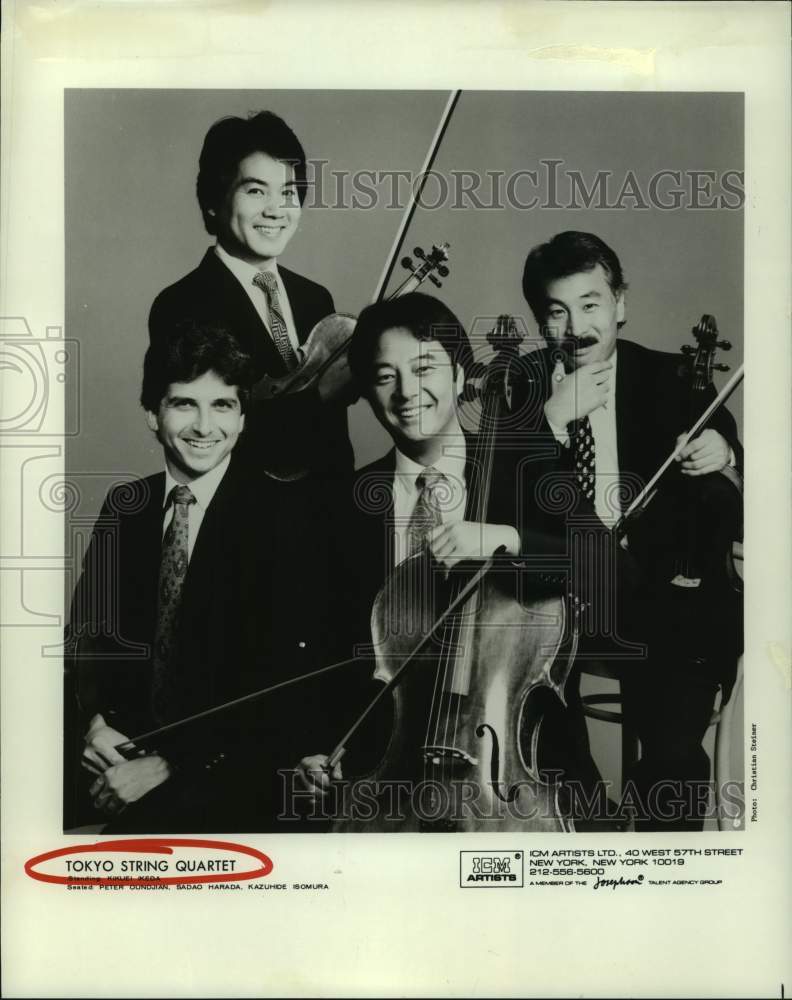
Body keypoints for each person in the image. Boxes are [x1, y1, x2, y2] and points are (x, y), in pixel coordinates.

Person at [294, 292, 575, 829]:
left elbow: (611, 568)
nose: (406, 393)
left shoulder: (527, 473)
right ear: (366, 394)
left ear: (463, 375)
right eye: (384, 377)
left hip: (509, 778)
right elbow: (314, 651)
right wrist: (312, 748)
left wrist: (506, 538)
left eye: (424, 367)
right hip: (384, 780)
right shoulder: (336, 505)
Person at [66, 322, 339, 833]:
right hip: (122, 778)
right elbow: (90, 642)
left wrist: (167, 765)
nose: (203, 426)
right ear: (152, 413)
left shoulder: (287, 516)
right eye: (184, 404)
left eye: (222, 405)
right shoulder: (126, 507)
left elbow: (286, 693)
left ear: (242, 418)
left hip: (235, 791)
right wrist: (94, 725)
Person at [520, 230, 743, 831]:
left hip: (662, 604)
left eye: (592, 304)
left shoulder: (674, 377)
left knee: (672, 754)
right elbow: (504, 502)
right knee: (548, 751)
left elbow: (721, 443)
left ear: (621, 304)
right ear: (541, 323)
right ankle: (591, 826)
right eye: (557, 312)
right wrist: (550, 424)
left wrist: (722, 449)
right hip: (560, 600)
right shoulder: (522, 388)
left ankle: (658, 861)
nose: (577, 328)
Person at [148, 110, 353, 479]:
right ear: (213, 200)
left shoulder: (316, 299)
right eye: (256, 190)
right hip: (242, 525)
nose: (275, 210)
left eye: (288, 193)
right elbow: (210, 431)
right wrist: (320, 394)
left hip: (327, 519)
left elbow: (333, 439)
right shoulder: (181, 304)